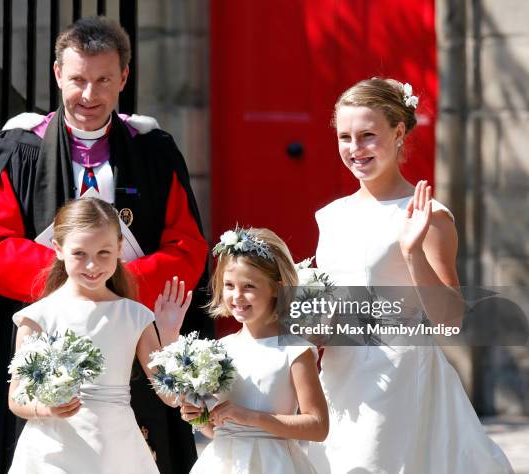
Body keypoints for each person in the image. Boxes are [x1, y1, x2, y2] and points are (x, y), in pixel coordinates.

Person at [0, 16, 208, 473]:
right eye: (77, 80)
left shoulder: (153, 149)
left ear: (124, 78)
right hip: (44, 324)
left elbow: (187, 245)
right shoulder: (17, 148)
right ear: (57, 74)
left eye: (103, 80)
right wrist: (75, 283)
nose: (89, 96)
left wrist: (118, 284)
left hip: (129, 327)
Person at [307, 78, 512, 473]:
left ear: (399, 132)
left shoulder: (428, 216)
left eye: (368, 136)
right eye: (345, 137)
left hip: (397, 379)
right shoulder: (330, 216)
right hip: (339, 378)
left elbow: (451, 320)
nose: (355, 149)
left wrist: (412, 252)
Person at [7, 198, 191, 473]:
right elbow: (17, 398)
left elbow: (171, 396)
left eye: (103, 253)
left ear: (119, 248)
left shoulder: (134, 315)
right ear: (58, 249)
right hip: (52, 450)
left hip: (116, 450)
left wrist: (170, 337)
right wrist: (46, 409)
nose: (92, 266)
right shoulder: (39, 317)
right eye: (80, 253)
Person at [181, 227, 329, 474]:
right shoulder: (221, 349)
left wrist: (252, 417)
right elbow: (219, 428)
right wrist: (200, 416)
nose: (237, 296)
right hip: (223, 464)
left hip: (274, 465)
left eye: (249, 286)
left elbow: (318, 425)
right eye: (229, 285)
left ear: (276, 288)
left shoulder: (294, 351)